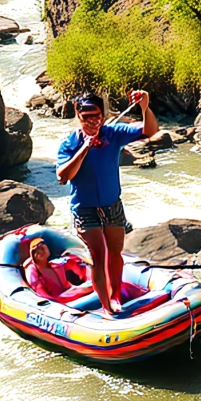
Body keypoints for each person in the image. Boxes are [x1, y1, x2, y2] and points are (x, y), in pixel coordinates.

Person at [53, 88, 157, 315]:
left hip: (112, 205)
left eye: (96, 116)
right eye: (85, 117)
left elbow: (150, 131)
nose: (91, 121)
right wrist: (85, 147)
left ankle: (115, 295)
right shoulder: (69, 143)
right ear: (77, 115)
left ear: (103, 114)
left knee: (115, 252)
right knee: (98, 256)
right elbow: (63, 177)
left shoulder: (113, 133)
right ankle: (106, 306)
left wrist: (145, 106)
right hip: (85, 208)